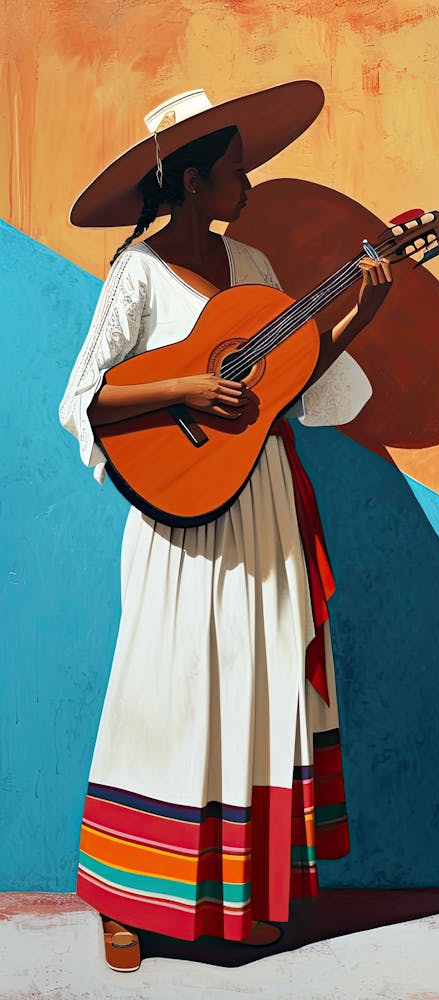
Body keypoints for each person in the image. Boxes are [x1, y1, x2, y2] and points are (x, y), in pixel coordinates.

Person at [59, 83, 392, 972]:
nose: (248, 185)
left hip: (262, 504)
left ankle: (241, 891)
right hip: (177, 517)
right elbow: (84, 399)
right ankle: (121, 901)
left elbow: (297, 377)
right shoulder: (136, 273)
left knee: (259, 683)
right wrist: (185, 389)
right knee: (162, 691)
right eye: (237, 172)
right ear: (194, 182)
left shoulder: (250, 264)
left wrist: (360, 305)